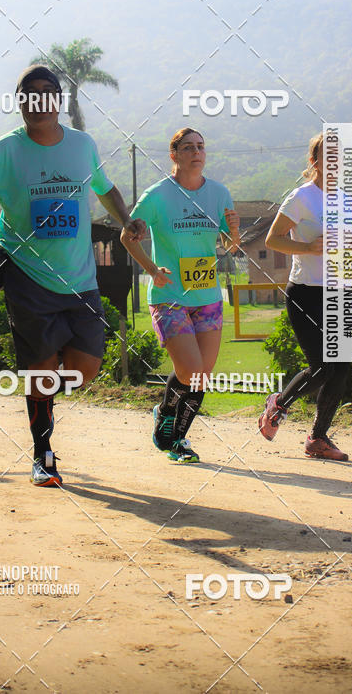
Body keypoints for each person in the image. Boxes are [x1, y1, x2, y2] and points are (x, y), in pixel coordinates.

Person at [0, 65, 146, 487]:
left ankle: (44, 384)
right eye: (29, 92)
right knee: (40, 372)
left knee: (84, 370)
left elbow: (105, 188)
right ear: (21, 102)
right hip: (27, 274)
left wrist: (126, 219)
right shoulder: (4, 152)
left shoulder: (82, 145)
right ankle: (44, 455)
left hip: (79, 279)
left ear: (58, 100)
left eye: (46, 91)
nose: (38, 99)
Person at [258, 131, 352, 460]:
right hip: (306, 293)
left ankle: (318, 438)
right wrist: (307, 247)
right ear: (314, 162)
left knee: (342, 367)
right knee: (324, 365)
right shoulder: (301, 197)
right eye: (330, 156)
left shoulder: (348, 201)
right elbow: (272, 239)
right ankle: (279, 404)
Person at [121, 128, 240, 463]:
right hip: (169, 294)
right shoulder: (157, 195)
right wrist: (152, 269)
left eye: (201, 146)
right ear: (173, 155)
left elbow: (230, 246)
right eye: (188, 147)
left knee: (201, 375)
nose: (196, 152)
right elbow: (127, 237)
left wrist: (235, 231)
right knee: (189, 371)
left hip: (207, 295)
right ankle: (164, 410)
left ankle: (177, 440)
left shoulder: (219, 193)